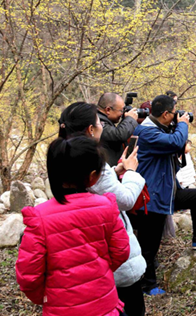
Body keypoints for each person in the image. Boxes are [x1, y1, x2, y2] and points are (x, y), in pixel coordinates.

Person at [16, 136, 130, 316]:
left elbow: (28, 274)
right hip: (104, 305)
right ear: (93, 176)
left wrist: (46, 297)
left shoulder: (40, 218)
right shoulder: (106, 207)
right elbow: (121, 251)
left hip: (61, 308)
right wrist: (100, 272)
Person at [58, 102, 147, 316]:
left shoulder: (62, 154)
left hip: (84, 258)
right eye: (99, 122)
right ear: (91, 129)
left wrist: (115, 170)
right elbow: (123, 200)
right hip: (112, 260)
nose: (102, 126)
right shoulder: (92, 160)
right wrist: (132, 173)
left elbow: (96, 187)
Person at [131, 95, 196, 296]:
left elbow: (176, 147)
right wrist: (182, 124)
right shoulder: (147, 132)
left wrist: (176, 125)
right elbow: (176, 141)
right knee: (149, 245)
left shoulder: (158, 129)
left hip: (166, 192)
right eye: (173, 113)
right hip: (151, 198)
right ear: (165, 114)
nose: (176, 116)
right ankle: (148, 285)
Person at [97, 92, 139, 166]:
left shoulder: (103, 120)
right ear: (108, 110)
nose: (122, 113)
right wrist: (130, 119)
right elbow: (119, 135)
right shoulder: (97, 122)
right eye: (121, 110)